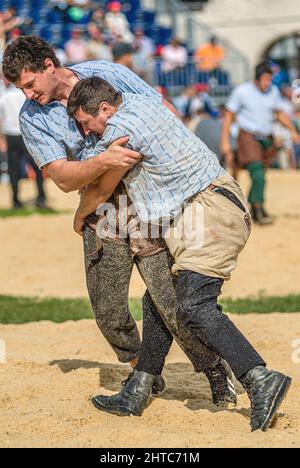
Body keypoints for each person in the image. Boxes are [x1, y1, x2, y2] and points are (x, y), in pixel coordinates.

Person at [2, 35, 234, 406]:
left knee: (169, 298)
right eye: (20, 88)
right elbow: (62, 177)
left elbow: (164, 113)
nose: (27, 95)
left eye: (30, 84)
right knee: (108, 310)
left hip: (149, 199)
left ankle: (214, 372)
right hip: (99, 207)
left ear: (49, 65)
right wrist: (104, 163)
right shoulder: (31, 117)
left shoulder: (106, 72)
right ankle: (144, 372)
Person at [67, 76, 292, 432]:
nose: (88, 131)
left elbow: (100, 187)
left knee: (194, 305)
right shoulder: (143, 102)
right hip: (209, 206)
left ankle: (259, 377)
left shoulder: (118, 132)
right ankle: (138, 389)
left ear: (105, 109)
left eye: (86, 122)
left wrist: (80, 217)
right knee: (158, 299)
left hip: (209, 211)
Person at [221, 62, 300, 225]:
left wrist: (293, 130)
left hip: (266, 138)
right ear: (256, 79)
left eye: (269, 80)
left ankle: (255, 206)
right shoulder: (241, 91)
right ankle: (258, 209)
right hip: (248, 137)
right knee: (257, 173)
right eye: (265, 80)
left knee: (261, 176)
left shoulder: (273, 91)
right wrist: (225, 142)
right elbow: (229, 116)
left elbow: (279, 114)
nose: (267, 83)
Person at [0, 83, 48, 209]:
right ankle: (41, 197)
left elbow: (1, 118)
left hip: (11, 136)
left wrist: (2, 137)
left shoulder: (4, 96)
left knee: (13, 170)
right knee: (37, 167)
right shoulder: (24, 95)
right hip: (26, 134)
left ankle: (15, 200)